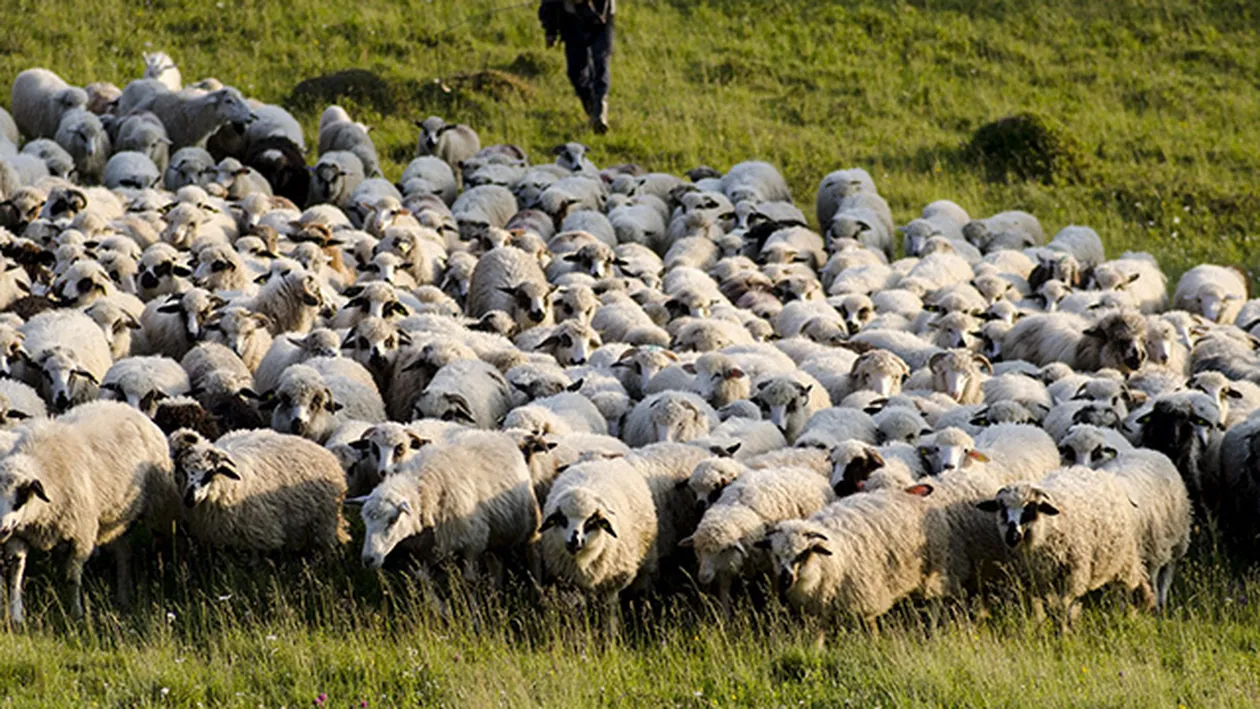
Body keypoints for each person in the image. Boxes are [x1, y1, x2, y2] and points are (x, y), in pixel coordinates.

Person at [539, 0, 615, 134]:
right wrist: (550, 30)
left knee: (600, 61)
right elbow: (548, 3)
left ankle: (601, 112)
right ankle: (592, 110)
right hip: (571, 21)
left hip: (602, 17)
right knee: (575, 72)